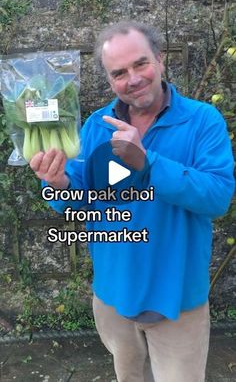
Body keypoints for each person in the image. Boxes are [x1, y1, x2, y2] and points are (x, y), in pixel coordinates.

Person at [30, 20, 235, 382]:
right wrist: (58, 183)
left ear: (159, 60)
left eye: (141, 63)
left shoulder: (203, 121)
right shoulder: (97, 125)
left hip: (177, 304)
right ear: (110, 81)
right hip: (112, 297)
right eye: (119, 72)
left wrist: (148, 163)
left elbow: (218, 197)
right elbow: (76, 200)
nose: (133, 78)